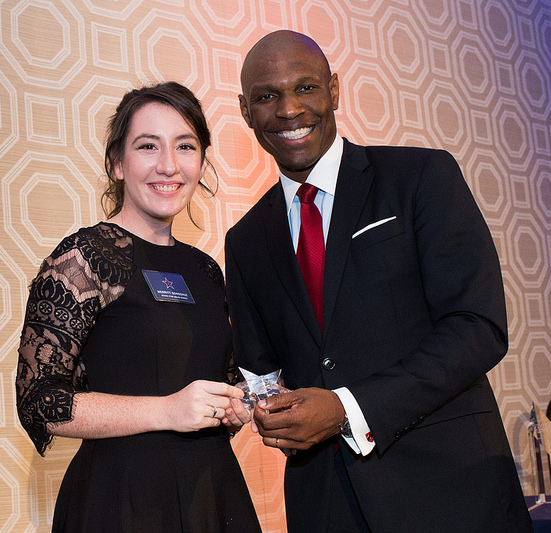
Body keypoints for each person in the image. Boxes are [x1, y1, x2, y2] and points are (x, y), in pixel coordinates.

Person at [224, 30, 533, 532]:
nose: (288, 109)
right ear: (245, 110)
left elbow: (478, 327)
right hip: (325, 504)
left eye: (305, 88)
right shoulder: (244, 240)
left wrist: (348, 407)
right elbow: (261, 371)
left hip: (452, 492)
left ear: (335, 91)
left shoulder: (420, 177)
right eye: (266, 96)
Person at [16, 81, 261, 532]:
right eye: (148, 146)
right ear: (117, 164)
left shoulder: (206, 270)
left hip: (212, 493)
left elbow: (221, 382)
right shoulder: (84, 259)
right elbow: (40, 401)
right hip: (120, 501)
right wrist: (166, 411)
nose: (168, 165)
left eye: (185, 146)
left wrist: (237, 405)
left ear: (201, 161)